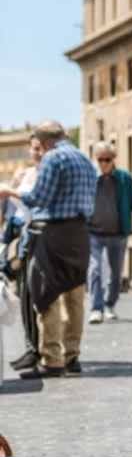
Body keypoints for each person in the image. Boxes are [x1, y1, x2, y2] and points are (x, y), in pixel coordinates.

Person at [0, 121, 95, 380]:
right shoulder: (84, 158)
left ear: (43, 141)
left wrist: (9, 191)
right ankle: (72, 356)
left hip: (53, 233)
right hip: (79, 232)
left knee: (46, 292)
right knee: (74, 295)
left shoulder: (54, 158)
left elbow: (38, 198)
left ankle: (52, 360)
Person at [86, 143, 132, 324]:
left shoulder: (124, 178)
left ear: (113, 159)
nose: (104, 163)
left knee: (115, 273)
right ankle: (96, 309)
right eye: (100, 160)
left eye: (107, 159)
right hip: (94, 232)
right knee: (95, 269)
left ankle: (109, 304)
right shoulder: (90, 178)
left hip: (117, 233)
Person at [3, 137, 44, 371]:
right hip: (25, 238)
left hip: (39, 239)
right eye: (34, 149)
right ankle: (32, 348)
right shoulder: (27, 173)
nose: (36, 153)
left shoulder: (45, 173)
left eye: (40, 148)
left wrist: (12, 191)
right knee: (26, 296)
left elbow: (34, 202)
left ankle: (40, 351)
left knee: (37, 297)